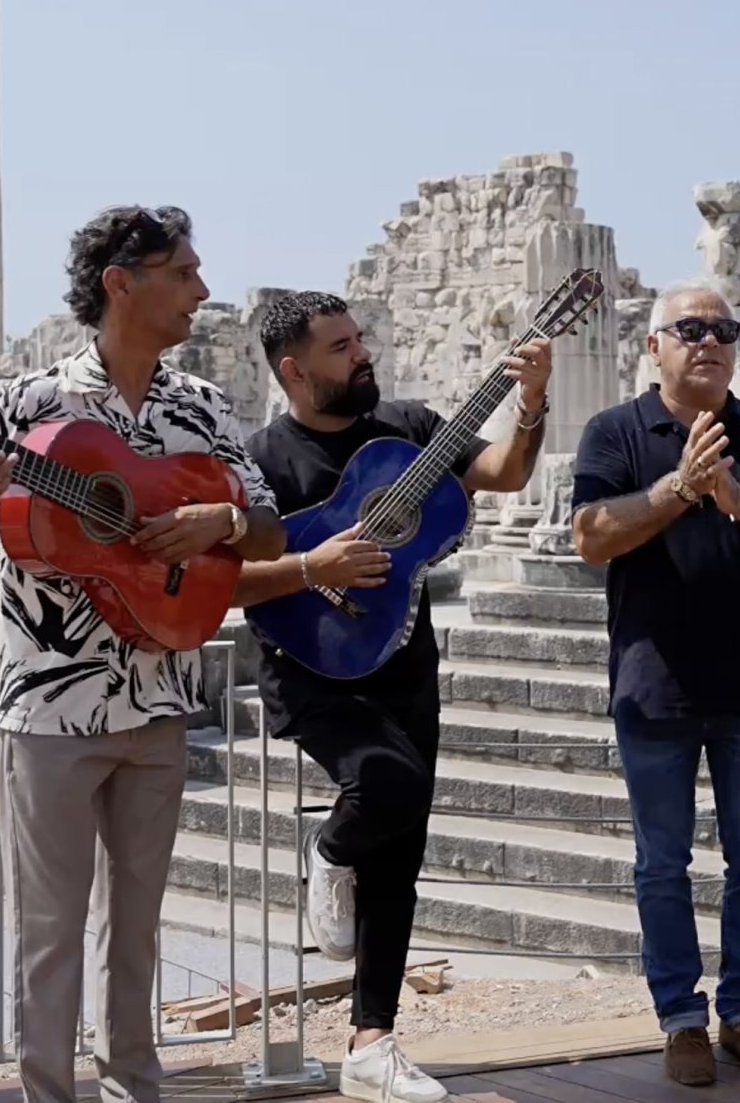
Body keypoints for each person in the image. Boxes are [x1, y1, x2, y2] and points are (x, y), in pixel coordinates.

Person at [0, 206, 289, 1103]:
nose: (204, 291)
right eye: (185, 272)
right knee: (44, 933)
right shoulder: (30, 407)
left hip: (160, 701)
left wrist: (222, 518)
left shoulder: (200, 407)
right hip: (50, 710)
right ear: (124, 283)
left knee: (138, 929)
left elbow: (271, 530)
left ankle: (136, 1089)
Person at [232, 291, 552, 1103]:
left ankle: (372, 1044)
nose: (362, 354)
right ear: (294, 371)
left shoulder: (409, 427)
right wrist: (314, 568)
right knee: (387, 785)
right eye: (341, 348)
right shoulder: (260, 459)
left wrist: (535, 399)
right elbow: (225, 580)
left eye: (360, 338)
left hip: (402, 656)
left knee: (401, 854)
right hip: (309, 664)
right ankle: (329, 851)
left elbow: (506, 472)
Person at [569, 279, 740, 1088]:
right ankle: (681, 1020)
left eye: (724, 328)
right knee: (662, 867)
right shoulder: (616, 431)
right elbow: (592, 537)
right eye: (690, 327)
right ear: (654, 344)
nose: (710, 340)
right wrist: (680, 489)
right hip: (654, 692)